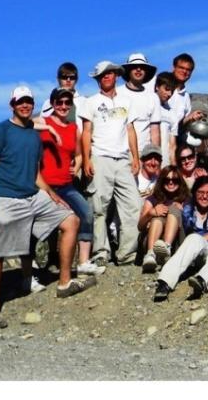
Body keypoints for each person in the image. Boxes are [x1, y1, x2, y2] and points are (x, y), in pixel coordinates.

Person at [0, 87, 95, 329]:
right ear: (12, 104)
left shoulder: (33, 135)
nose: (24, 106)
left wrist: (53, 195)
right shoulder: (0, 131)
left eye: (28, 102)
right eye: (20, 102)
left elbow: (35, 174)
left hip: (32, 195)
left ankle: (64, 282)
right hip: (5, 198)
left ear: (33, 104)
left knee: (71, 220)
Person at [80, 60, 141, 267]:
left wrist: (136, 157)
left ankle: (126, 253)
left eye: (109, 73)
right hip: (100, 157)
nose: (105, 77)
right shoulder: (90, 102)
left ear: (116, 75)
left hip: (123, 159)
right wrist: (87, 158)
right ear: (97, 79)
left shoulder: (126, 101)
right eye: (101, 75)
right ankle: (101, 251)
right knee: (99, 208)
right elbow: (86, 132)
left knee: (133, 206)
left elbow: (130, 129)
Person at [38, 87, 103, 276]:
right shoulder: (43, 122)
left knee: (86, 213)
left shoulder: (74, 128)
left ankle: (83, 261)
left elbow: (78, 153)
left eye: (67, 103)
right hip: (45, 186)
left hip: (66, 184)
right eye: (59, 102)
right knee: (41, 224)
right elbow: (25, 124)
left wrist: (77, 165)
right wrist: (49, 127)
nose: (64, 106)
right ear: (52, 104)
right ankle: (38, 264)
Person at [139, 165, 190, 273]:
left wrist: (183, 212)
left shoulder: (187, 199)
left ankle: (166, 249)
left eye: (175, 180)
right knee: (157, 217)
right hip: (152, 241)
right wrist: (151, 213)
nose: (171, 183)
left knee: (174, 209)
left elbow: (193, 225)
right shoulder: (152, 199)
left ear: (180, 181)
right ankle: (151, 254)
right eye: (167, 180)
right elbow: (140, 226)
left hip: (177, 242)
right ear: (161, 181)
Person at [121, 53, 161, 151]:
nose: (138, 69)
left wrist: (155, 155)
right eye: (134, 67)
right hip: (121, 153)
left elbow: (155, 130)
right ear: (128, 70)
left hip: (144, 153)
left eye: (142, 67)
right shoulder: (117, 93)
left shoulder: (153, 97)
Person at [168, 53, 206, 143]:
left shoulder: (186, 98)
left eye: (188, 70)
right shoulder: (159, 86)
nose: (184, 72)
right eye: (181, 68)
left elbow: (180, 128)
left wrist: (190, 118)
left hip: (171, 144)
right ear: (173, 68)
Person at [39, 62, 86, 130]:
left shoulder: (84, 101)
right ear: (58, 79)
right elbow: (40, 124)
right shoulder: (48, 103)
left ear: (76, 79)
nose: (68, 80)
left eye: (72, 77)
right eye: (64, 77)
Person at [153, 71, 181, 164]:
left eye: (172, 91)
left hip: (164, 163)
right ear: (157, 86)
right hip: (146, 162)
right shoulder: (146, 106)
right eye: (167, 89)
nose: (169, 94)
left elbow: (172, 145)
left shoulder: (172, 114)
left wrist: (173, 165)